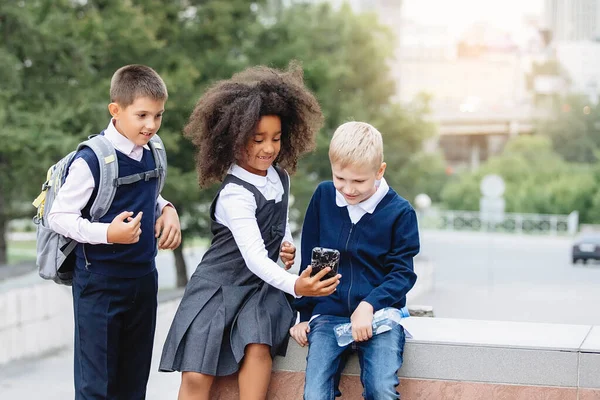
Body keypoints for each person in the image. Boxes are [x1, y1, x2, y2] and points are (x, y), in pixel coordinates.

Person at [159, 64, 341, 400]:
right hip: (218, 287)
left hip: (260, 289)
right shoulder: (235, 194)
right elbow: (255, 256)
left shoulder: (279, 176)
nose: (269, 148)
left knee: (258, 346)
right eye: (258, 140)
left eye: (276, 138)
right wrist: (297, 284)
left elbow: (280, 224)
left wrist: (285, 244)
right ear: (234, 138)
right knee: (197, 375)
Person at [48, 64, 182, 399]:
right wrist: (108, 234)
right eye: (142, 116)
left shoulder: (153, 151)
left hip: (143, 280)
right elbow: (58, 216)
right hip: (100, 284)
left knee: (133, 384)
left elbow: (151, 194)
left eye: (158, 115)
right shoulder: (91, 161)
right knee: (97, 387)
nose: (151, 125)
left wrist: (167, 209)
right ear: (115, 110)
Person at [290, 121, 420, 400]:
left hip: (381, 316)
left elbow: (402, 274)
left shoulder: (400, 212)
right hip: (328, 315)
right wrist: (303, 315)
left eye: (359, 181)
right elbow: (310, 262)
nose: (347, 189)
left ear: (379, 171)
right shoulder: (324, 196)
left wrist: (369, 305)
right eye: (340, 178)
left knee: (381, 390)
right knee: (314, 394)